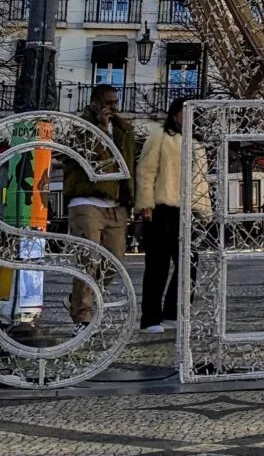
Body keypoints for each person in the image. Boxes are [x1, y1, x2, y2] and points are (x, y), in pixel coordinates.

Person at [66, 85, 139, 326]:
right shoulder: (81, 127)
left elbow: (128, 166)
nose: (112, 107)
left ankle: (81, 299)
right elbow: (91, 158)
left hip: (116, 203)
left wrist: (132, 199)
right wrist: (98, 127)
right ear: (95, 103)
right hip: (87, 199)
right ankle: (83, 316)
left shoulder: (123, 130)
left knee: (115, 260)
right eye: (107, 102)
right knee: (88, 259)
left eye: (115, 102)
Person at [134, 97, 184, 335]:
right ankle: (150, 317)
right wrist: (146, 205)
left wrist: (203, 209)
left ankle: (173, 312)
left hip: (188, 211)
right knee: (157, 266)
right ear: (175, 115)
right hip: (162, 208)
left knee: (189, 264)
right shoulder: (159, 138)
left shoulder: (196, 143)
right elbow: (146, 171)